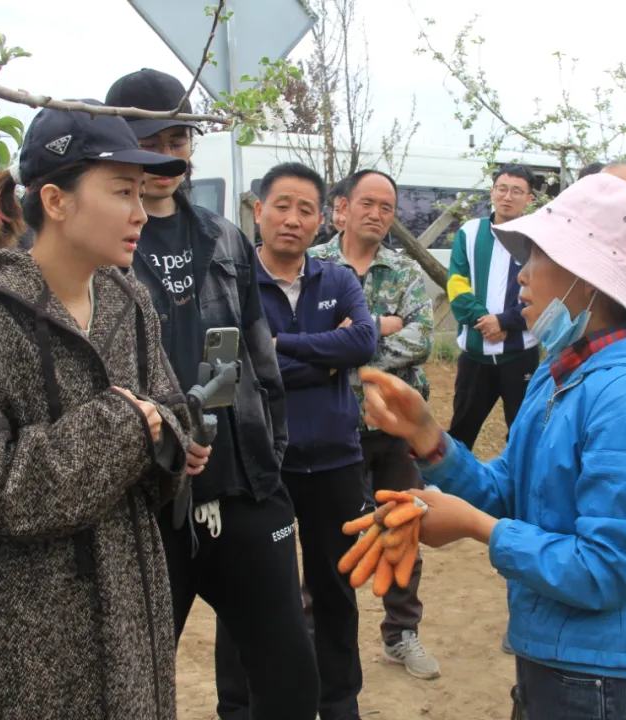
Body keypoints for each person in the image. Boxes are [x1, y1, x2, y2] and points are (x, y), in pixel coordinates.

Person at [361, 173, 626, 719]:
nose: (520, 278)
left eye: (535, 257)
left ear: (586, 278)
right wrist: (428, 439)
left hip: (605, 681)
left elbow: (604, 570)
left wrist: (477, 527)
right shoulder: (560, 371)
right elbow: (510, 490)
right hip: (553, 657)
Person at [0, 102, 195, 718]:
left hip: (128, 608)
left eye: (141, 192)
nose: (140, 212)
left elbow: (172, 419)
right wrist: (123, 426)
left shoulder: (129, 303)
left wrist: (164, 436)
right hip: (19, 631)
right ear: (55, 201)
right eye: (121, 191)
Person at [105, 69, 320, 719]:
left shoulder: (226, 237)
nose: (166, 154)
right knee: (133, 685)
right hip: (143, 502)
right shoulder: (101, 242)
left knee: (289, 675)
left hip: (244, 484)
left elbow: (261, 357)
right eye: (149, 139)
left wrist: (272, 453)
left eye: (178, 137)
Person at [227, 161, 377, 720]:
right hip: (264, 464)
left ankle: (339, 703)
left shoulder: (338, 279)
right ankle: (240, 706)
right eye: (281, 205)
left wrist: (278, 349)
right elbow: (240, 367)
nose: (292, 219)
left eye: (306, 209)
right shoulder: (237, 284)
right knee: (255, 594)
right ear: (258, 210)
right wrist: (324, 356)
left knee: (336, 591)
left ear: (322, 220)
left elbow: (363, 343)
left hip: (336, 461)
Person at [310, 169, 440, 680]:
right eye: (369, 202)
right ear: (343, 206)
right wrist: (383, 329)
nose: (378, 214)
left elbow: (423, 339)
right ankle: (316, 633)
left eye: (387, 207)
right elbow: (297, 336)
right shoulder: (314, 265)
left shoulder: (403, 271)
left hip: (396, 428)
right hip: (329, 428)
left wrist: (346, 350)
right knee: (329, 534)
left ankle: (401, 633)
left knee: (402, 526)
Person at [446, 164, 540, 450]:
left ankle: (519, 491)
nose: (507, 196)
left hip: (520, 354)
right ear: (492, 192)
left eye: (516, 191)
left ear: (529, 199)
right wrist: (485, 320)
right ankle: (446, 488)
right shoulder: (470, 233)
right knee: (461, 430)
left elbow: (545, 293)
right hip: (475, 354)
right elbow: (456, 284)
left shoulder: (538, 237)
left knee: (524, 434)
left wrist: (504, 321)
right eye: (502, 188)